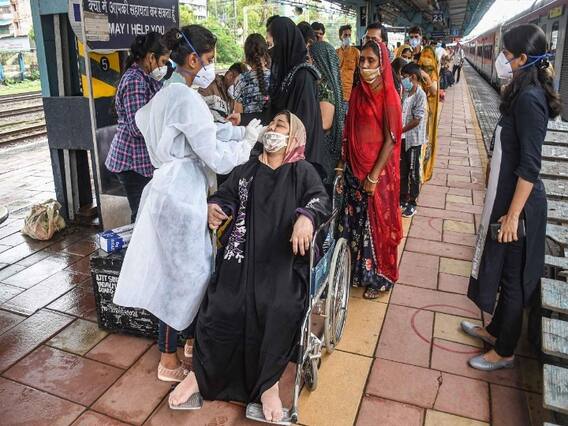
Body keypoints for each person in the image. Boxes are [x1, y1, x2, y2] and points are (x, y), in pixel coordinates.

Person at [112, 25, 262, 383]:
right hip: (181, 192)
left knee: (184, 272)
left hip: (165, 188)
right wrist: (247, 143)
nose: (211, 67)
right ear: (193, 59)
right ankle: (168, 360)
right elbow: (217, 157)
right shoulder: (187, 99)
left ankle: (192, 343)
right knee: (183, 277)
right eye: (209, 59)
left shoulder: (167, 93)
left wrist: (240, 131)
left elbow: (205, 130)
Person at [168, 112, 330, 422]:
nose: (272, 128)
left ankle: (267, 385)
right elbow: (225, 195)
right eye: (271, 124)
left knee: (276, 306)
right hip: (241, 258)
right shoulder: (247, 169)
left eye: (280, 125)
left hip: (281, 261)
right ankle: (200, 376)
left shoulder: (302, 171)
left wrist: (307, 218)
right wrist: (214, 207)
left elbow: (320, 200)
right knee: (220, 303)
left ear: (294, 136)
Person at [464, 24, 561, 371]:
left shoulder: (531, 100)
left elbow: (530, 167)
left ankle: (505, 351)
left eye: (506, 54)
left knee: (513, 278)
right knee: (505, 269)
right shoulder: (522, 92)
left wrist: (513, 215)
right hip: (509, 200)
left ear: (522, 58)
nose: (501, 59)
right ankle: (494, 331)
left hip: (521, 208)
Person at [337, 40, 403, 299]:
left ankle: (381, 278)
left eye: (371, 61)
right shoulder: (357, 93)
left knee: (377, 225)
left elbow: (391, 140)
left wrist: (374, 176)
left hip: (377, 173)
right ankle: (359, 274)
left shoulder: (389, 96)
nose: (365, 65)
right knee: (356, 222)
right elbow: (349, 130)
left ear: (382, 64)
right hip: (354, 169)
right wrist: (343, 164)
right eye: (362, 60)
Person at [105, 32, 170, 223]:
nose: (164, 67)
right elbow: (137, 127)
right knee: (142, 215)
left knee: (149, 211)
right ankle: (136, 243)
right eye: (163, 61)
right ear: (151, 57)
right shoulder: (135, 80)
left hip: (144, 160)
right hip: (132, 162)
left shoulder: (148, 77)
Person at [265, 16, 328, 180]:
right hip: (283, 159)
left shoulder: (303, 76)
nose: (270, 52)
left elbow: (301, 128)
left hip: (299, 164)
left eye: (272, 45)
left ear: (284, 44)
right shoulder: (287, 75)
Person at [311, 41, 346, 187]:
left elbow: (325, 123)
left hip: (324, 147)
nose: (309, 62)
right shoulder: (330, 83)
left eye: (311, 58)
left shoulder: (325, 86)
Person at [400, 62, 427, 218]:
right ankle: (403, 198)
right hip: (403, 138)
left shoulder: (420, 95)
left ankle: (412, 203)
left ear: (413, 77)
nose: (403, 80)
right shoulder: (406, 92)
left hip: (413, 140)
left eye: (404, 77)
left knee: (413, 172)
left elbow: (417, 119)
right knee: (403, 170)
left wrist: (401, 130)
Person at [233, 34, 271, 125]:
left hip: (249, 129)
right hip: (271, 128)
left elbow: (238, 115)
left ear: (247, 56)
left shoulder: (240, 79)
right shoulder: (275, 77)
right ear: (265, 53)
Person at [336, 24, 360, 103]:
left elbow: (360, 71)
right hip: (337, 91)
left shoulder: (355, 52)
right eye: (345, 35)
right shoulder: (335, 53)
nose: (347, 37)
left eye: (349, 35)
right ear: (340, 37)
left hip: (350, 92)